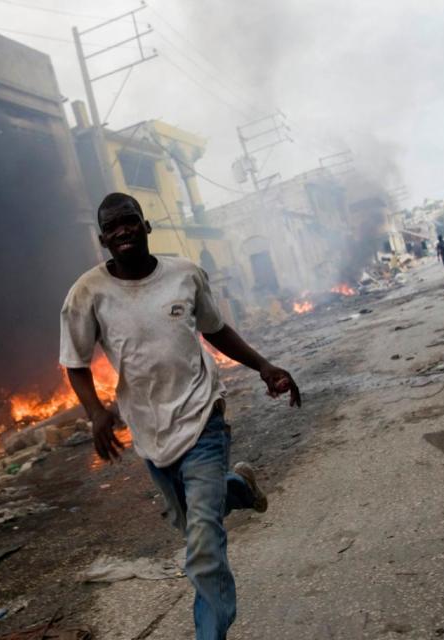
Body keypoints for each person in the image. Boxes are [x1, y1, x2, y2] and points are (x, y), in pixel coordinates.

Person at [60, 192, 301, 640]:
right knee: (187, 520)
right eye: (112, 227)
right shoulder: (87, 293)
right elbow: (74, 361)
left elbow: (216, 330)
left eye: (129, 222)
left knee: (204, 545)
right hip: (148, 429)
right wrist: (95, 412)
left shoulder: (185, 275)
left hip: (201, 416)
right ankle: (239, 488)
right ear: (103, 240)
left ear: (146, 226)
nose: (123, 231)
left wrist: (264, 367)